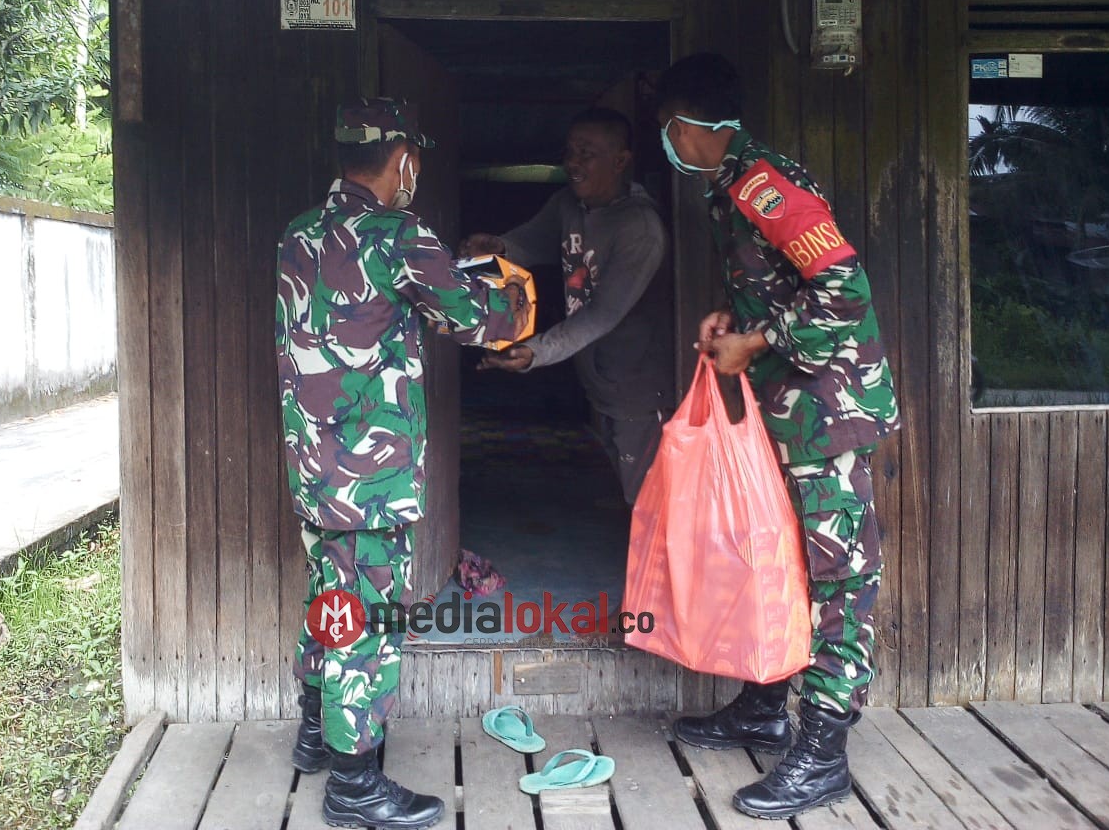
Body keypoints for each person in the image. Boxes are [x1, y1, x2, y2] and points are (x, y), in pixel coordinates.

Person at [655, 54, 900, 819]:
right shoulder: (730, 188)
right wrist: (735, 320)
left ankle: (823, 750)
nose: (665, 138)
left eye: (666, 126)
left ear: (689, 128)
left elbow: (843, 291)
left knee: (838, 575)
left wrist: (756, 344)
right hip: (788, 411)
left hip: (827, 414)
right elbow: (779, 281)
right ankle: (764, 703)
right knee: (777, 555)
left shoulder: (766, 187)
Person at [276, 97, 528, 830]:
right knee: (368, 618)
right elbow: (474, 318)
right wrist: (512, 295)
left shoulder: (297, 233)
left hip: (314, 465)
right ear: (403, 159)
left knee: (329, 594)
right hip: (371, 473)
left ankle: (315, 734)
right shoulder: (396, 232)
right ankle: (355, 784)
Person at [458, 106, 674, 508]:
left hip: (640, 387)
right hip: (599, 379)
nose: (572, 163)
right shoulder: (567, 204)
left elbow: (602, 315)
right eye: (570, 151)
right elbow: (533, 241)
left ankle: (657, 572)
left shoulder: (640, 229)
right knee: (632, 490)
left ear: (621, 160)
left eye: (586, 153)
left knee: (650, 501)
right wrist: (499, 247)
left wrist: (536, 352)